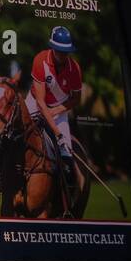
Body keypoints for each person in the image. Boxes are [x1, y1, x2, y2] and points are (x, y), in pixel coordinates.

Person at [26, 26, 84, 176]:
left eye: (65, 52)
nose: (62, 55)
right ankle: (4, 175)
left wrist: (56, 110)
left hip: (60, 108)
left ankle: (69, 192)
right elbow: (40, 101)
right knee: (17, 133)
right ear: (52, 48)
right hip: (35, 102)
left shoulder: (75, 69)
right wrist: (57, 133)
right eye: (59, 51)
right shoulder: (40, 60)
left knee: (66, 154)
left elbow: (76, 99)